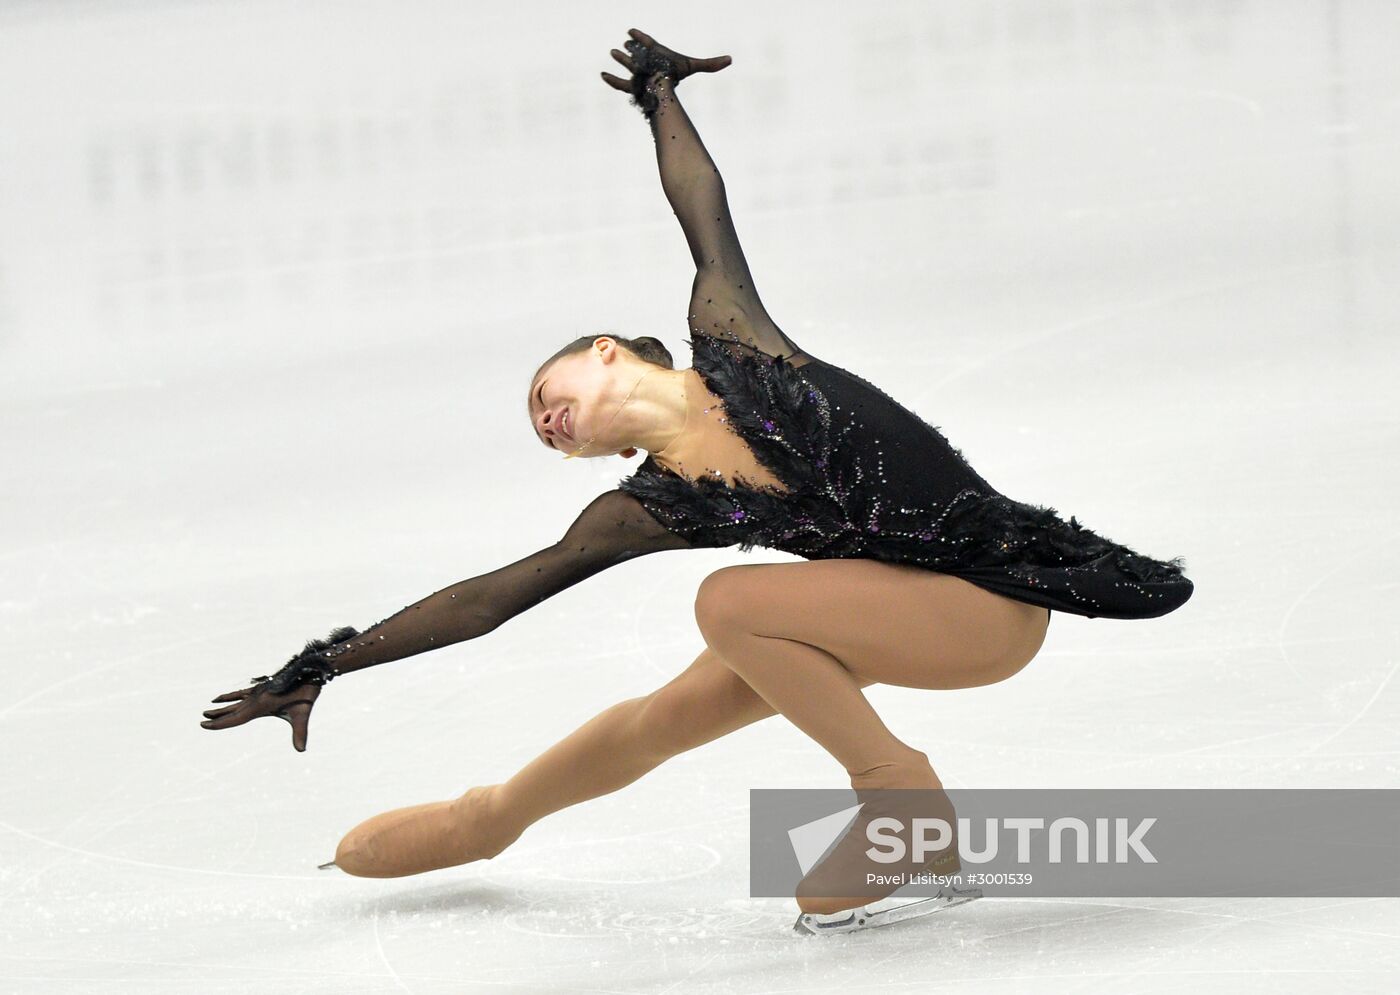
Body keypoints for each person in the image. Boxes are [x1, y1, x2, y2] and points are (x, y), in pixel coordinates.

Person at [201, 29, 1193, 919]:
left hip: (989, 599)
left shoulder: (735, 339)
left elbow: (699, 203)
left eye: (544, 392)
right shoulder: (651, 505)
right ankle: (488, 818)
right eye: (545, 435)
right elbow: (494, 598)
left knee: (730, 599)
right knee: (666, 712)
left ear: (605, 352)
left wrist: (659, 95)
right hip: (889, 602)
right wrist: (324, 660)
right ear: (595, 456)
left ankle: (900, 798)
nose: (546, 421)